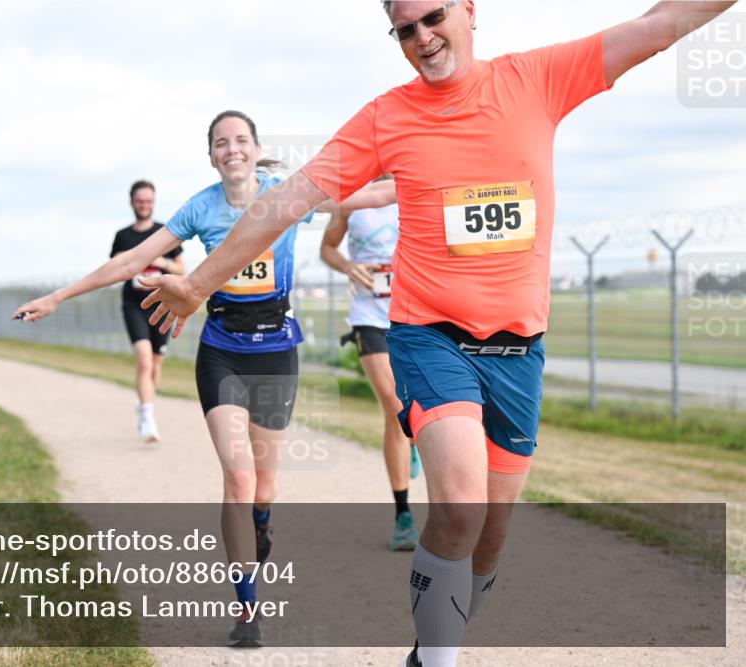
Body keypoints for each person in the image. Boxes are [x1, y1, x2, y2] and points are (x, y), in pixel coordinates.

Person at [138, 2, 740, 665]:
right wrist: (197, 284)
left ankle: (429, 648)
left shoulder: (539, 78)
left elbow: (656, 27)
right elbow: (284, 202)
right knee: (458, 503)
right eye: (405, 29)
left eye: (433, 17)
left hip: (518, 349)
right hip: (429, 336)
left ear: (469, 11)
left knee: (489, 537)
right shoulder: (385, 117)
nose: (422, 37)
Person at [13, 110, 314, 648]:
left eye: (241, 141)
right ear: (211, 155)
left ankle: (261, 523)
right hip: (221, 350)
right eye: (221, 143)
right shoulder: (201, 207)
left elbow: (363, 194)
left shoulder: (284, 194)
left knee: (264, 487)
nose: (232, 150)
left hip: (276, 350)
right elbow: (132, 259)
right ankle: (248, 610)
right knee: (239, 480)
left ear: (256, 147)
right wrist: (58, 297)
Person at [319, 174, 423, 551]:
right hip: (369, 316)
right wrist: (348, 267)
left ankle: (411, 441)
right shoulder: (354, 198)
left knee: (417, 412)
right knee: (396, 407)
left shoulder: (415, 186)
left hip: (415, 315)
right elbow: (328, 248)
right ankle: (403, 516)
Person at [110, 180, 186, 442]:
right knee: (143, 359)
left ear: (153, 202)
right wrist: (130, 264)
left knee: (155, 363)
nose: (144, 205)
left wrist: (159, 261)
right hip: (134, 304)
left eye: (149, 201)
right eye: (140, 201)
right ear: (132, 202)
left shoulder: (165, 232)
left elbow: (180, 269)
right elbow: (115, 269)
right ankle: (148, 417)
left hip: (161, 304)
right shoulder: (123, 236)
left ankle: (145, 403)